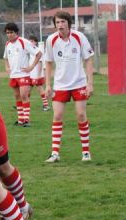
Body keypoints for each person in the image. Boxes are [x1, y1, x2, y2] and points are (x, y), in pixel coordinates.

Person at [44, 10, 94, 163]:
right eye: (57, 22)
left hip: (79, 83)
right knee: (57, 116)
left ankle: (86, 152)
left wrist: (90, 83)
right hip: (60, 85)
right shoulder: (51, 40)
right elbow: (48, 62)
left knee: (80, 115)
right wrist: (48, 85)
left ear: (68, 23)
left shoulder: (79, 37)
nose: (60, 25)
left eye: (63, 22)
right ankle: (55, 153)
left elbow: (88, 60)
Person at [3, 22, 42, 127]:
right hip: (13, 75)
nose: (9, 34)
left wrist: (31, 67)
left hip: (23, 74)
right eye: (7, 33)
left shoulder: (24, 42)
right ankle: (20, 120)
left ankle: (27, 120)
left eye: (11, 32)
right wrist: (7, 67)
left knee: (24, 95)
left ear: (16, 32)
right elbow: (5, 58)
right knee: (17, 97)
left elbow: (39, 54)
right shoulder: (7, 44)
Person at [28, 35, 50, 112]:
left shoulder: (38, 51)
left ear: (36, 42)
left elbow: (40, 63)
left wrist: (38, 75)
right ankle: (23, 104)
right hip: (31, 74)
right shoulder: (31, 51)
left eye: (32, 41)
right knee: (27, 90)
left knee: (40, 90)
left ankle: (46, 105)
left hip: (36, 74)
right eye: (30, 41)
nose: (30, 43)